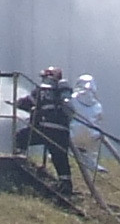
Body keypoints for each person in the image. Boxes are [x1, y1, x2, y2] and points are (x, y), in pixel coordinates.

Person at [16, 65, 77, 193]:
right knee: (60, 157)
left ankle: (20, 161)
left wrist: (17, 103)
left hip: (44, 128)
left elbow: (28, 102)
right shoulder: (63, 90)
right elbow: (69, 109)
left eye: (44, 76)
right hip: (62, 131)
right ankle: (65, 184)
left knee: (21, 137)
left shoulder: (42, 89)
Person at [70, 73, 109, 173]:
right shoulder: (97, 105)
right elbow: (100, 119)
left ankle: (55, 154)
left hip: (72, 134)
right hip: (91, 137)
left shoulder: (72, 99)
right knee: (95, 137)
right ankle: (92, 163)